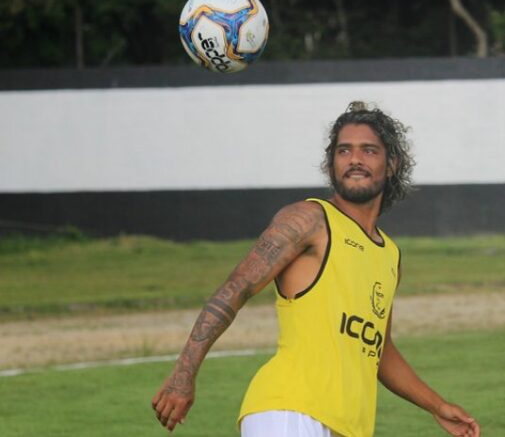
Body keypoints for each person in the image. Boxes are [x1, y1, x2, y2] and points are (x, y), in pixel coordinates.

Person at [152, 101, 481, 437]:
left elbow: (378, 349)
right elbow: (233, 291)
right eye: (344, 150)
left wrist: (436, 405)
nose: (354, 159)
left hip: (345, 425)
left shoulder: (390, 256)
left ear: (392, 164)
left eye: (369, 150)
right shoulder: (309, 220)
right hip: (288, 411)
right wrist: (183, 376)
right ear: (331, 162)